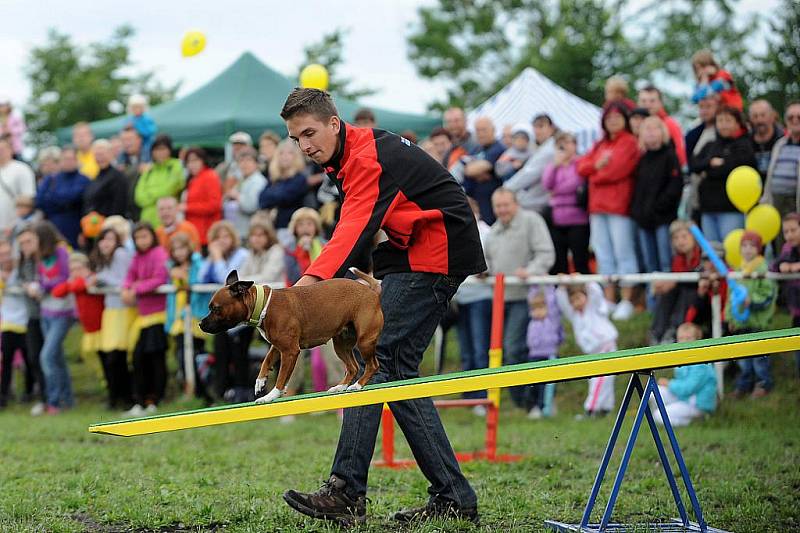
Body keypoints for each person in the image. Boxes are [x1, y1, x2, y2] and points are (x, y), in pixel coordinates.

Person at [280, 88, 484, 525]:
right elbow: (360, 224)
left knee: (374, 364)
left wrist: (308, 285)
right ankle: (453, 497)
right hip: (415, 253)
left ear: (334, 123)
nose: (305, 145)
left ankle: (345, 491)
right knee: (395, 372)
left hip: (438, 251)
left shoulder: (365, 155)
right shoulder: (349, 153)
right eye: (296, 139)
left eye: (310, 133)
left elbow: (354, 224)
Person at [484, 187, 554, 410]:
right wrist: (483, 272)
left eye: (505, 205)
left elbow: (546, 253)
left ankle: (530, 402)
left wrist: (530, 270)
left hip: (530, 298)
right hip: (500, 298)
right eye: (498, 206)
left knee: (519, 349)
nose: (502, 210)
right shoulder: (493, 232)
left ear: (516, 204)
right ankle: (524, 402)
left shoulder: (532, 221)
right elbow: (488, 262)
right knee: (508, 350)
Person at [577, 102, 641, 319]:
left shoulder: (629, 142)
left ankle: (627, 300)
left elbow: (616, 171)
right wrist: (597, 166)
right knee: (604, 255)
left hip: (619, 206)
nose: (613, 120)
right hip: (597, 206)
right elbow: (581, 166)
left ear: (624, 119)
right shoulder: (600, 144)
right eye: (609, 117)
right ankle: (609, 299)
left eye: (617, 116)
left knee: (624, 254)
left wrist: (595, 171)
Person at [199, 220, 250, 403]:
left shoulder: (242, 255)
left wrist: (218, 259)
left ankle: (242, 390)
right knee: (220, 353)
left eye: (226, 236)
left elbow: (226, 283)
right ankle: (222, 390)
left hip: (238, 317)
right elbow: (201, 278)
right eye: (217, 238)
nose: (221, 241)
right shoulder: (213, 256)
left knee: (239, 353)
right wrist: (213, 258)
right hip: (220, 317)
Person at [122, 222, 169, 416]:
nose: (141, 241)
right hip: (143, 317)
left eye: (144, 236)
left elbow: (160, 278)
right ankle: (139, 400)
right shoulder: (137, 258)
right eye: (138, 238)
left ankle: (154, 399)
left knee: (155, 359)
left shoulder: (159, 254)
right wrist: (126, 288)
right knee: (139, 359)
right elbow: (129, 277)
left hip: (158, 315)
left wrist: (136, 288)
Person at [690, 106, 756, 242]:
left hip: (731, 209)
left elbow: (735, 167)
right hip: (708, 208)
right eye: (720, 121)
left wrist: (712, 168)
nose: (723, 125)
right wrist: (710, 163)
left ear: (737, 123)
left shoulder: (744, 145)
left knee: (730, 249)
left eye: (728, 120)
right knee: (712, 253)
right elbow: (694, 165)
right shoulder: (710, 145)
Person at [726, 230, 776, 399]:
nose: (747, 249)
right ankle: (743, 386)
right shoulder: (738, 270)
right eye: (744, 246)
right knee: (743, 358)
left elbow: (768, 293)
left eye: (752, 246)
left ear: (759, 249)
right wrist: (731, 318)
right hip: (741, 323)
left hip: (758, 322)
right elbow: (731, 297)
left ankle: (763, 384)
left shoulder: (763, 268)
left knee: (759, 358)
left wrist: (752, 300)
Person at [630, 116, 683, 274]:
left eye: (655, 128)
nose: (651, 133)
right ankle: (652, 297)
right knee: (649, 265)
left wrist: (658, 207)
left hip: (663, 219)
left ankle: (666, 298)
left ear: (663, 132)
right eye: (647, 129)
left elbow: (675, 186)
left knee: (665, 262)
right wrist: (638, 211)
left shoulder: (670, 156)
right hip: (643, 219)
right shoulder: (642, 160)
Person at [556, 282, 618, 417]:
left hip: (605, 346)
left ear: (585, 296)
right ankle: (604, 408)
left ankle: (590, 409)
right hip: (593, 352)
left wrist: (582, 280)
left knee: (601, 379)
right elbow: (563, 303)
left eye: (578, 298)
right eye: (572, 300)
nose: (576, 303)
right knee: (599, 379)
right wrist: (562, 287)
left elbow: (595, 291)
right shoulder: (575, 315)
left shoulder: (594, 307)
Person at [453, 198, 492, 411]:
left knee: (479, 350)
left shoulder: (486, 232)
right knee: (466, 350)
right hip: (461, 296)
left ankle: (482, 396)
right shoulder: (457, 231)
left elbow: (492, 261)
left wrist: (487, 269)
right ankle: (469, 395)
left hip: (480, 296)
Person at [91, 227, 134, 409]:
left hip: (123, 311)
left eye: (110, 239)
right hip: (111, 311)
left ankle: (125, 397)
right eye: (102, 239)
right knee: (111, 356)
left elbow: (124, 281)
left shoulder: (120, 254)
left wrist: (99, 279)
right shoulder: (102, 260)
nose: (105, 243)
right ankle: (115, 396)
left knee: (118, 356)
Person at [34, 221, 74, 414]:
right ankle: (68, 399)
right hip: (46, 311)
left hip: (63, 312)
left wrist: (45, 287)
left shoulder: (62, 252)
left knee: (47, 356)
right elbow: (42, 278)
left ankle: (54, 401)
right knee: (57, 358)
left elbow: (65, 277)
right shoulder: (41, 256)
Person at [165, 232, 209, 399]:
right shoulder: (171, 267)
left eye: (182, 248)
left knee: (196, 356)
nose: (179, 252)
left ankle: (204, 392)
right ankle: (194, 390)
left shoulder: (198, 264)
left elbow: (199, 284)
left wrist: (185, 278)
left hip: (194, 314)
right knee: (182, 356)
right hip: (178, 315)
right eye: (175, 249)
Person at [51, 252, 104, 391]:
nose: (76, 272)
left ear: (87, 267)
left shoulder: (92, 278)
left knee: (105, 359)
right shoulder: (77, 282)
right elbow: (56, 293)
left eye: (79, 269)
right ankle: (105, 383)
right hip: (88, 329)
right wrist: (72, 281)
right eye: (72, 270)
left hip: (102, 327)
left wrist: (78, 281)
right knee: (90, 355)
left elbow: (77, 287)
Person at [542, 131, 590, 274]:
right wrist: (555, 166)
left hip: (577, 218)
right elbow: (546, 184)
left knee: (580, 260)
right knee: (559, 263)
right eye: (560, 144)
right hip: (556, 218)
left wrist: (556, 191)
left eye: (568, 142)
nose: (564, 147)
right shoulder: (554, 165)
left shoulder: (581, 162)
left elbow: (575, 182)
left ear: (575, 145)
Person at [653, 322, 717, 427]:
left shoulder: (701, 362)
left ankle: (694, 422)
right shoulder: (683, 358)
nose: (684, 342)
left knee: (659, 416)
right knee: (654, 392)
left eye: (688, 338)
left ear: (697, 340)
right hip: (685, 397)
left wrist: (669, 384)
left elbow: (689, 388)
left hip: (697, 403)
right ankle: (673, 411)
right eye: (681, 338)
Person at [649, 221, 702, 345]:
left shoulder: (702, 255)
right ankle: (658, 332)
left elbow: (696, 282)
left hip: (701, 301)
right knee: (667, 293)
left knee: (686, 292)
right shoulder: (678, 259)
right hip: (685, 298)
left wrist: (675, 282)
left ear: (694, 237)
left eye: (684, 237)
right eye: (676, 238)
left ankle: (674, 332)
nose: (680, 241)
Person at [35, 145, 90, 249]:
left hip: (75, 229)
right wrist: (62, 200)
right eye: (65, 159)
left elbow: (73, 197)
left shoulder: (83, 180)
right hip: (52, 229)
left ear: (77, 160)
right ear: (60, 160)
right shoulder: (51, 179)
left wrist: (52, 197)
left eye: (71, 159)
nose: (68, 162)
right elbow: (39, 201)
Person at [503, 114, 558, 216]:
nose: (537, 130)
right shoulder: (543, 147)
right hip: (535, 201)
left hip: (538, 205)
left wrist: (506, 189)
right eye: (535, 127)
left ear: (551, 128)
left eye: (541, 126)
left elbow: (530, 173)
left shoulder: (550, 149)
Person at [16, 226, 46, 414]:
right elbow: (20, 280)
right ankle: (44, 397)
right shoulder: (24, 262)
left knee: (48, 357)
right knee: (34, 357)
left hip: (49, 314)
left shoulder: (44, 260)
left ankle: (54, 398)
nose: (25, 246)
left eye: (28, 241)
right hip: (32, 316)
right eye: (21, 244)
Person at [258, 139, 309, 243]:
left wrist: (273, 194)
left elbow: (285, 197)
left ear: (295, 157)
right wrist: (276, 194)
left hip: (290, 229)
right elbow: (261, 199)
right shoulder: (273, 178)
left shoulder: (299, 179)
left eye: (289, 153)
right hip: (272, 228)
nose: (285, 156)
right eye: (281, 153)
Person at [525, 286, 563, 419]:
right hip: (534, 356)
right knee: (533, 385)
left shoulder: (551, 320)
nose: (538, 312)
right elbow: (531, 296)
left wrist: (548, 285)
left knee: (546, 386)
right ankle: (533, 407)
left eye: (541, 308)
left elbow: (551, 302)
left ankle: (545, 407)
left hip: (549, 355)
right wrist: (533, 285)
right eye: (534, 309)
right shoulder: (532, 323)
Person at [134, 134, 185, 228]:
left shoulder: (176, 166)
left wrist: (150, 195)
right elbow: (138, 196)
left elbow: (170, 188)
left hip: (168, 221)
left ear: (169, 150)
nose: (160, 152)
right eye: (157, 149)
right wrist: (157, 196)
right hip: (147, 219)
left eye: (163, 149)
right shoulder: (149, 170)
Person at [0, 239, 28, 407]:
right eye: (1, 254)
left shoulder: (21, 271)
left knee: (29, 360)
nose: (5, 257)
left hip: (25, 320)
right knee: (7, 360)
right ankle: (3, 396)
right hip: (7, 322)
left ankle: (29, 392)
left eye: (7, 253)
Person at [462, 117, 505, 224]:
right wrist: (476, 171)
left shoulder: (498, 148)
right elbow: (464, 168)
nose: (481, 134)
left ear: (493, 130)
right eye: (478, 130)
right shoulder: (476, 149)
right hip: (476, 204)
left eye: (484, 130)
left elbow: (471, 170)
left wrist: (474, 170)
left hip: (495, 206)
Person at [771, 212, 800, 376]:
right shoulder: (787, 248)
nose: (789, 235)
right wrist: (782, 265)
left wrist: (796, 266)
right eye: (786, 231)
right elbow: (774, 265)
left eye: (793, 230)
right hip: (797, 309)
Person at [761, 101, 800, 220]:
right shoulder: (779, 144)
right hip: (776, 202)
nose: (795, 120)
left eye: (799, 116)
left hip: (795, 202)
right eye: (790, 117)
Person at [180, 147, 222, 249]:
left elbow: (215, 205)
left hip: (206, 233)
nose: (192, 164)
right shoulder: (191, 179)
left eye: (195, 160)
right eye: (189, 161)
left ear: (203, 160)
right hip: (193, 232)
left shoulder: (210, 176)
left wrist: (188, 207)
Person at [685, 96, 719, 221]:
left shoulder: (721, 132)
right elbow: (691, 163)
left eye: (709, 107)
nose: (705, 111)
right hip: (696, 193)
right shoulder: (693, 134)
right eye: (701, 107)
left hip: (714, 193)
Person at [638, 85, 687, 168]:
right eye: (643, 101)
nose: (647, 105)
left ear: (660, 103)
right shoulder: (637, 123)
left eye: (652, 101)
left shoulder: (669, 124)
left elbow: (680, 154)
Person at [224, 147, 268, 239]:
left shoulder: (258, 180)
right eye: (241, 161)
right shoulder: (242, 180)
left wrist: (236, 195)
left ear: (256, 163)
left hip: (250, 234)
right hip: (238, 233)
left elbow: (251, 206)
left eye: (248, 160)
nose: (244, 164)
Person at [83, 139, 129, 219]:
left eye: (102, 154)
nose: (100, 158)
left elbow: (119, 206)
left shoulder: (117, 177)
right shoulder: (96, 177)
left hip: (110, 225)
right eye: (97, 154)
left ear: (110, 154)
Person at [0, 136, 36, 232]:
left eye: (3, 149)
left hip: (15, 227)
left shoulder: (22, 169)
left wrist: (15, 224)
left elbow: (28, 199)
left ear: (10, 150)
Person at [240, 217, 286, 285]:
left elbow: (267, 278)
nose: (256, 238)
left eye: (260, 235)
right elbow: (242, 273)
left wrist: (241, 281)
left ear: (268, 236)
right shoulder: (252, 252)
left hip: (275, 291)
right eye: (253, 235)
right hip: (258, 291)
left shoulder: (277, 251)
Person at [749, 100, 784, 180]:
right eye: (755, 116)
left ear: (772, 116)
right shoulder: (746, 141)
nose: (759, 120)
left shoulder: (783, 140)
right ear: (750, 119)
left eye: (763, 115)